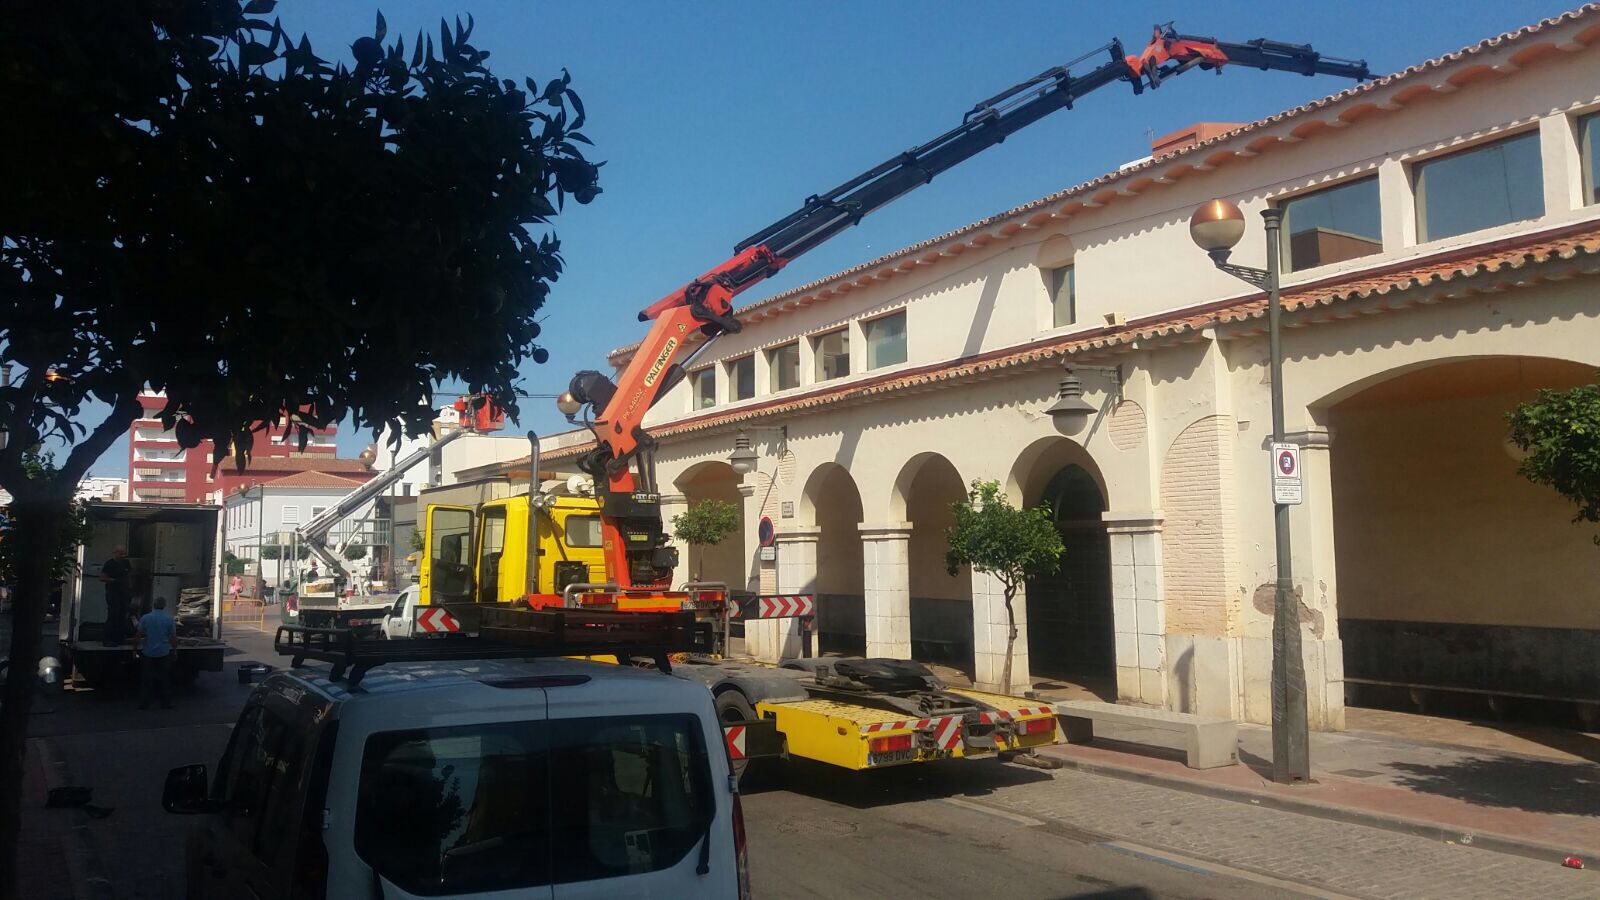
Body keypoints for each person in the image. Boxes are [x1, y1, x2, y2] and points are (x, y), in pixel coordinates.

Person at [135, 596, 177, 710]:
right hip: (163, 653)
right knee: (164, 679)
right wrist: (174, 650)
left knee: (146, 680)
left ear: (154, 605)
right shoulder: (169, 619)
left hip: (148, 653)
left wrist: (134, 649)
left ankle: (144, 703)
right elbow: (173, 637)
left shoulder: (146, 618)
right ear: (164, 606)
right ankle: (165, 703)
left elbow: (138, 635)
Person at [97, 546, 133, 647]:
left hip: (124, 593)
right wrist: (114, 581)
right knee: (113, 615)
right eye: (120, 553)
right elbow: (102, 577)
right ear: (115, 553)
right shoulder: (110, 563)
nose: (122, 556)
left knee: (123, 615)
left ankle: (120, 638)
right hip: (113, 592)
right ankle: (108, 639)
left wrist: (130, 589)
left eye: (123, 553)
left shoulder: (126, 563)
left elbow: (129, 576)